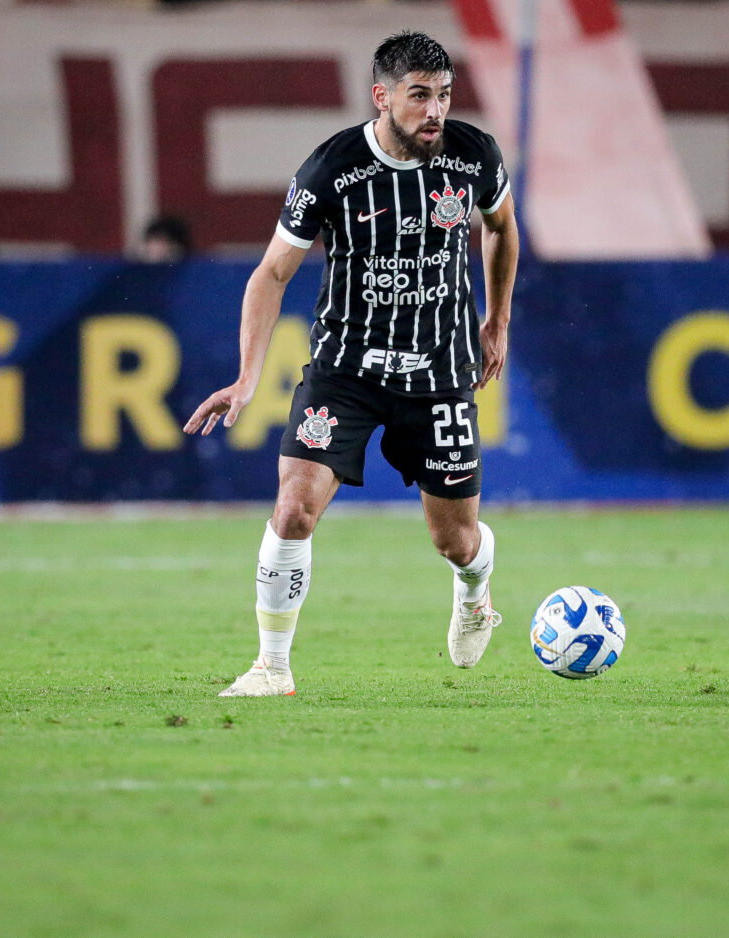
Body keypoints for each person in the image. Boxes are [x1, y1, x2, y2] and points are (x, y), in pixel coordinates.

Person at [184, 30, 519, 697]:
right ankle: (271, 668)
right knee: (294, 510)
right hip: (346, 373)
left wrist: (497, 318)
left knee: (454, 540)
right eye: (419, 95)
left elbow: (502, 228)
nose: (435, 111)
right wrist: (248, 377)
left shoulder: (473, 155)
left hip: (438, 373)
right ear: (381, 96)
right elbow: (269, 275)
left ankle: (475, 590)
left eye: (444, 95)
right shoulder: (331, 169)